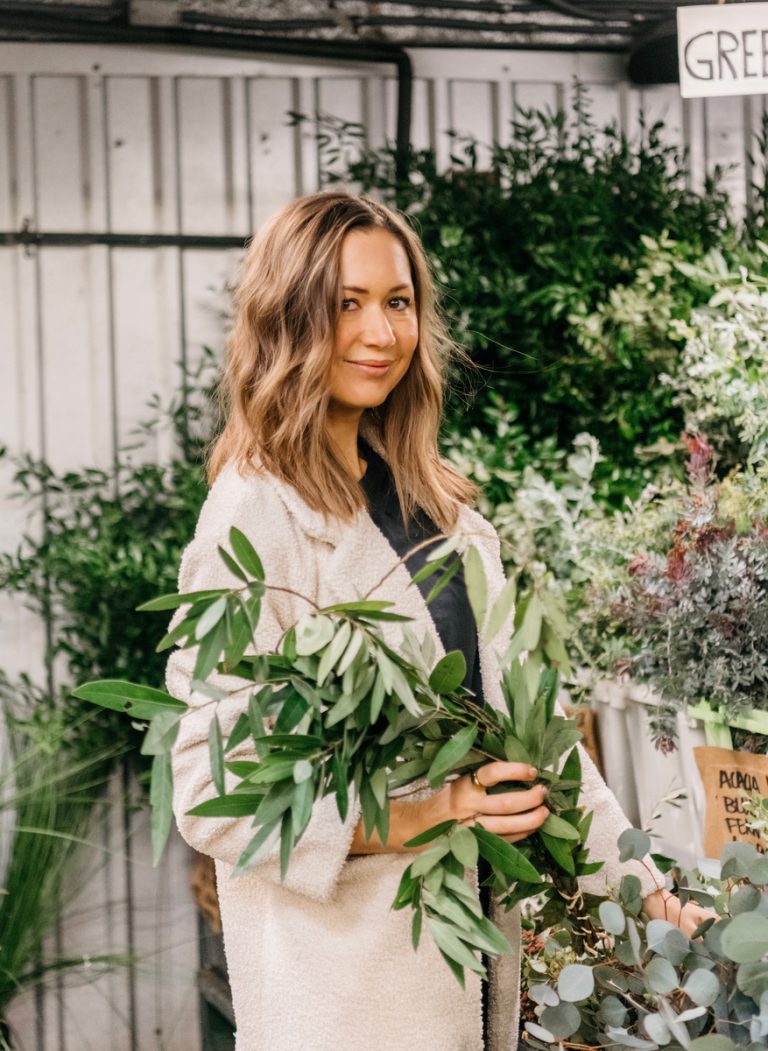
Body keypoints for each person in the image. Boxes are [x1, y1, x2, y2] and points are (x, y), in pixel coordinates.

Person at [166, 191, 711, 1051]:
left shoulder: (445, 514)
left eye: (398, 301)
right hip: (341, 993)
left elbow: (537, 744)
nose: (381, 333)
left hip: (463, 974)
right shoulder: (255, 515)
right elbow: (211, 790)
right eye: (347, 304)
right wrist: (432, 813)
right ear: (290, 318)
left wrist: (642, 887)